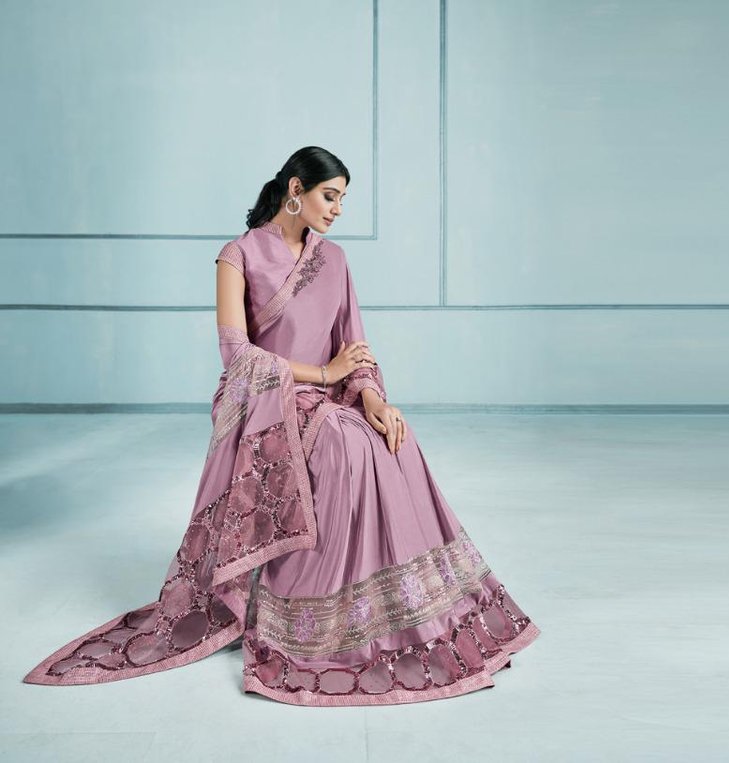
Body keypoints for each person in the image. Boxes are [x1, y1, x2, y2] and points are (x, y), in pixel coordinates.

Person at [22, 146, 541, 706]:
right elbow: (236, 353)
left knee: (392, 440)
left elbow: (355, 347)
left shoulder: (335, 260)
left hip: (329, 396)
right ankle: (302, 613)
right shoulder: (237, 255)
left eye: (343, 198)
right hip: (264, 401)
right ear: (297, 189)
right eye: (330, 195)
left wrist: (371, 398)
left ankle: (399, 610)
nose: (338, 208)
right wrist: (322, 374)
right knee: (343, 446)